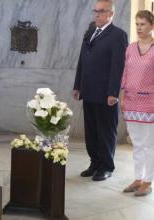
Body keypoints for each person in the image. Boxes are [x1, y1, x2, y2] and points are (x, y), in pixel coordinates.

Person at [73, 0, 128, 181]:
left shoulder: (118, 35)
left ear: (110, 14)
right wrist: (77, 85)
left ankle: (106, 166)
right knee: (91, 130)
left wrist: (113, 92)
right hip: (88, 90)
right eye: (95, 11)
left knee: (105, 131)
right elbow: (83, 59)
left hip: (106, 94)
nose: (96, 14)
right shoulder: (91, 31)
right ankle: (95, 163)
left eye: (101, 11)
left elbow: (118, 66)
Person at [120, 10, 154, 196]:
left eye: (143, 24)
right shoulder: (131, 48)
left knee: (149, 145)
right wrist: (123, 96)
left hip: (150, 103)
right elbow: (125, 73)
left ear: (152, 26)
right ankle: (137, 177)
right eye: (137, 24)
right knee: (137, 143)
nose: (139, 27)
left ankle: (147, 181)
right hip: (132, 101)